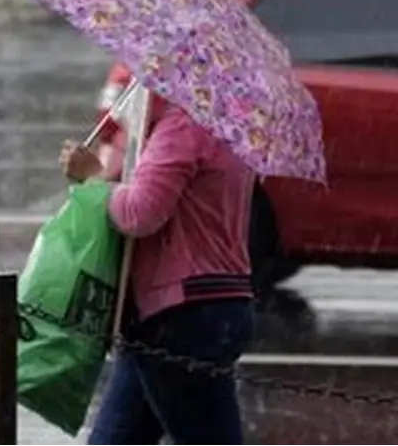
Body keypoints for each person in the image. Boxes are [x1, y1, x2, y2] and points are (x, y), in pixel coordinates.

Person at [59, 94, 256, 445]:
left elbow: (139, 214)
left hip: (180, 314)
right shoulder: (227, 124)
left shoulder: (182, 125)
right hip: (212, 304)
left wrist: (92, 179)